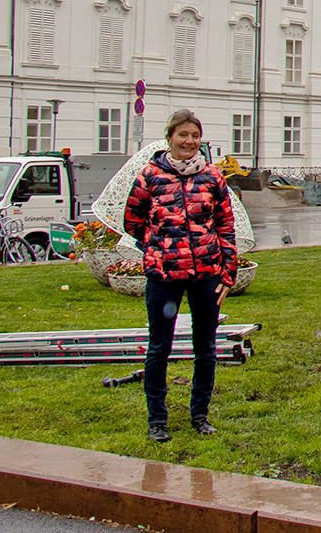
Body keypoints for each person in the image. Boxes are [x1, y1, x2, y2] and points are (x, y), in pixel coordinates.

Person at [123, 109, 237, 444]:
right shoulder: (150, 176)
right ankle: (157, 419)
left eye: (194, 136)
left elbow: (225, 228)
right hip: (164, 276)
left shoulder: (213, 178)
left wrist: (227, 275)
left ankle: (199, 414)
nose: (189, 141)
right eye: (183, 135)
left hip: (206, 275)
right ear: (170, 138)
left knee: (206, 347)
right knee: (159, 347)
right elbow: (133, 221)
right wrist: (158, 244)